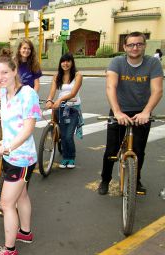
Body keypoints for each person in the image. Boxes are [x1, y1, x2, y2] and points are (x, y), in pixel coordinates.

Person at [0, 48, 41, 255]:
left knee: (6, 204)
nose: (0, 78)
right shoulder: (3, 93)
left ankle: (10, 250)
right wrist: (3, 141)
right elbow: (8, 124)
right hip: (11, 154)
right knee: (21, 196)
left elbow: (29, 128)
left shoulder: (28, 93)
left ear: (14, 71)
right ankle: (25, 232)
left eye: (4, 73)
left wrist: (9, 146)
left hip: (21, 157)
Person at [97, 31, 163, 196]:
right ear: (125, 47)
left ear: (144, 46)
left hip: (142, 112)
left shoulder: (153, 63)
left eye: (139, 44)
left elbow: (157, 90)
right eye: (131, 44)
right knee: (111, 150)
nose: (135, 48)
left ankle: (136, 179)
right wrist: (117, 112)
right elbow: (110, 87)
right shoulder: (117, 62)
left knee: (139, 151)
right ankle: (105, 179)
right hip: (120, 109)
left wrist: (146, 112)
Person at [45, 53, 83, 169]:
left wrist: (60, 99)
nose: (65, 64)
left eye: (68, 61)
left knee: (68, 135)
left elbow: (73, 93)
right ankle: (65, 156)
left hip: (72, 108)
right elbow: (52, 91)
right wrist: (50, 100)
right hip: (60, 108)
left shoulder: (78, 75)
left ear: (72, 62)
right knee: (62, 134)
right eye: (63, 61)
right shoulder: (57, 76)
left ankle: (70, 157)